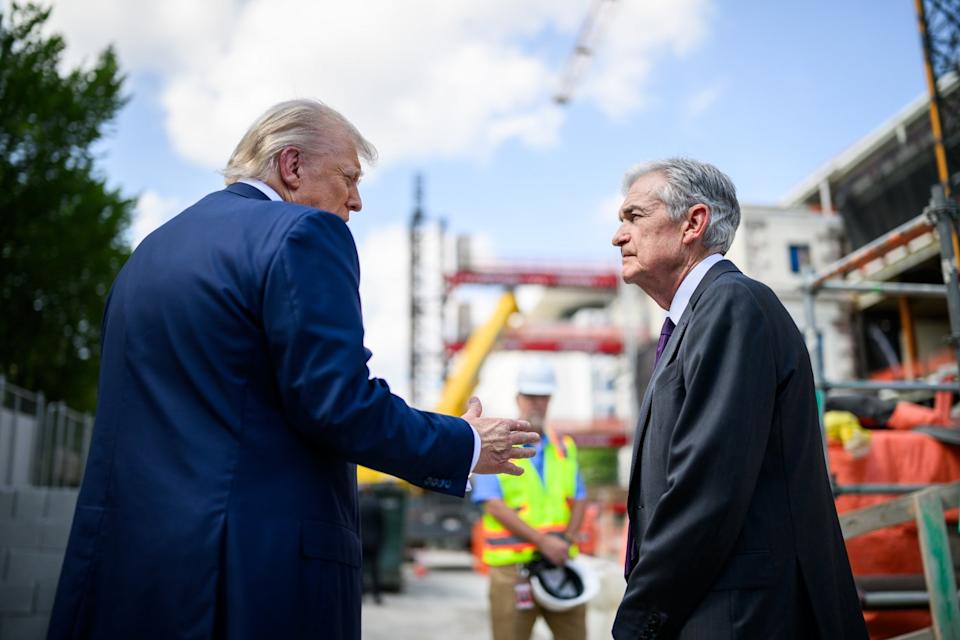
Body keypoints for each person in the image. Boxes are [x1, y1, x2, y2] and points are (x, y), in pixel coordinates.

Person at [47, 99, 539, 640]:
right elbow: (338, 404)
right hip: (247, 583)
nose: (356, 200)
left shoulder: (148, 254)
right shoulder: (303, 233)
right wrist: (464, 442)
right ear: (292, 165)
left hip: (127, 579)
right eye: (348, 177)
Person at [611, 159, 867, 639]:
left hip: (740, 617)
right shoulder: (699, 318)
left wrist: (637, 623)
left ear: (693, 223)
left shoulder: (730, 305)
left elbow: (705, 487)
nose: (618, 236)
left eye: (634, 216)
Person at [472, 359, 588, 640]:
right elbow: (492, 504)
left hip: (559, 562)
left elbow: (580, 497)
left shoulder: (563, 447)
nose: (537, 403)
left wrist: (566, 540)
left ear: (550, 400)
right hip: (512, 571)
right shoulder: (496, 446)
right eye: (531, 396)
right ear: (518, 398)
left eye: (543, 396)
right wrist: (543, 542)